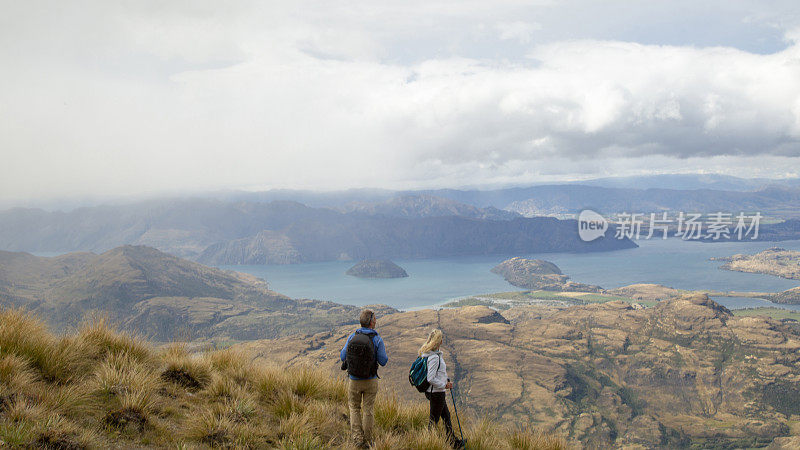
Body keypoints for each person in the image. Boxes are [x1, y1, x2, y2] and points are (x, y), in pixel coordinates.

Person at [340, 309, 388, 449]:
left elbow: (343, 357)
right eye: (375, 319)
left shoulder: (352, 337)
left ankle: (357, 439)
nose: (376, 321)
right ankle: (367, 441)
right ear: (371, 322)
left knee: (354, 408)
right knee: (368, 410)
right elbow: (383, 361)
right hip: (371, 380)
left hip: (354, 380)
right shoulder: (377, 339)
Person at [419, 329, 463, 448]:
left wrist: (445, 380)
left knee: (446, 417)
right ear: (439, 341)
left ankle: (453, 442)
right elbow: (431, 378)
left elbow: (437, 374)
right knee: (434, 421)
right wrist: (444, 385)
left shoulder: (432, 354)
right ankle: (428, 443)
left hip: (436, 392)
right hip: (436, 393)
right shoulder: (434, 357)